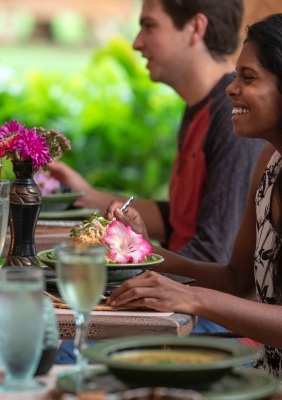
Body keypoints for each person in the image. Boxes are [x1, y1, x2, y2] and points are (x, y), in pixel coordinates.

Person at [53, 0, 265, 364]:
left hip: (217, 320)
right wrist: (89, 198)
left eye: (149, 26)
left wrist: (128, 273)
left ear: (195, 29)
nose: (136, 42)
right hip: (194, 298)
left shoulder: (235, 126)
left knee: (69, 347)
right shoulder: (202, 109)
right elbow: (183, 217)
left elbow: (215, 257)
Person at [106, 12, 282, 378]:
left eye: (248, 78)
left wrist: (191, 297)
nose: (231, 89)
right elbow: (236, 279)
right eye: (235, 76)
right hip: (265, 377)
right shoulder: (269, 161)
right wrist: (144, 250)